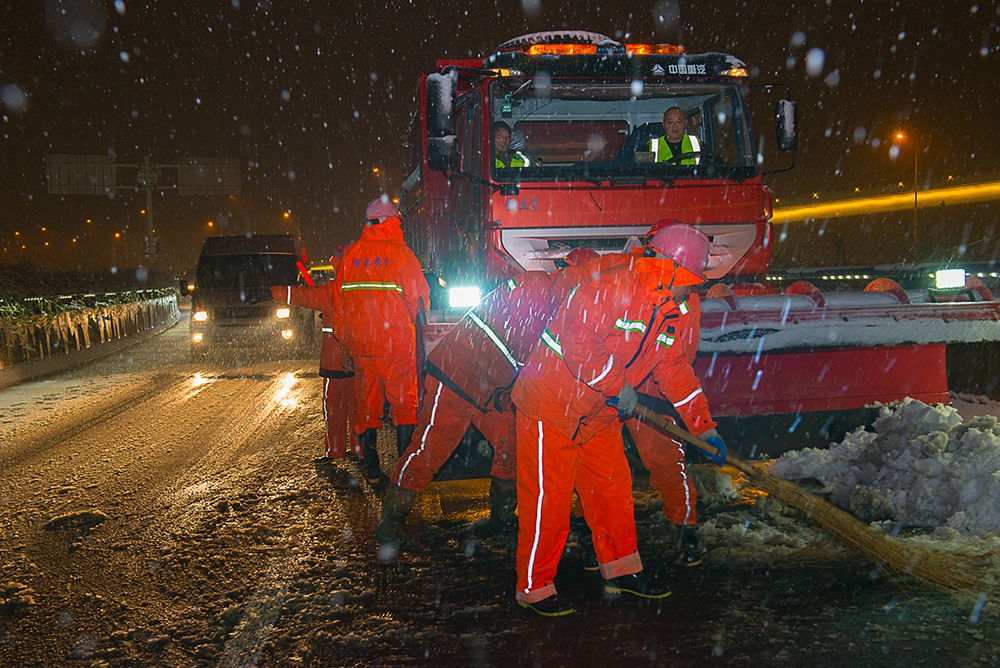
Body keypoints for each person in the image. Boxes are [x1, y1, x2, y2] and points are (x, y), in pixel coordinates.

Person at [510, 223, 726, 617]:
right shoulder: (611, 287)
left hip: (599, 415)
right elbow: (578, 344)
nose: (691, 292)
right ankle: (535, 587)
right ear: (674, 272)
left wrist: (702, 425)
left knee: (612, 495)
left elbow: (674, 369)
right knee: (548, 504)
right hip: (550, 407)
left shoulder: (667, 312)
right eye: (691, 282)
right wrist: (616, 383)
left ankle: (622, 571)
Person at [375, 270, 555, 557]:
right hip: (456, 373)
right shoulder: (538, 289)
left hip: (488, 384)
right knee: (429, 448)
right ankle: (392, 521)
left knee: (513, 441)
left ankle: (503, 517)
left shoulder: (552, 298)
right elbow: (526, 349)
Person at [331, 196, 431, 487]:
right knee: (404, 408)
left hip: (363, 347)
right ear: (390, 222)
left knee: (367, 408)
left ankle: (372, 471)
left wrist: (346, 342)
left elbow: (338, 306)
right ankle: (404, 473)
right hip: (397, 346)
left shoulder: (350, 256)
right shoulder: (401, 254)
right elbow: (420, 302)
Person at [270, 260, 361, 488]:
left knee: (334, 409)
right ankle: (359, 450)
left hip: (334, 362)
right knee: (358, 408)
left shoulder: (330, 290)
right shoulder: (362, 291)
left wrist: (273, 292)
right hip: (360, 362)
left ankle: (335, 451)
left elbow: (302, 296)